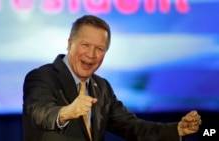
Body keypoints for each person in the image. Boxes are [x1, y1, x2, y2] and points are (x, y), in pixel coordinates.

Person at [22, 15, 202, 141]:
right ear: (70, 44)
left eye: (99, 49)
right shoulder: (41, 77)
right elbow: (40, 113)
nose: (91, 55)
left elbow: (132, 127)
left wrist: (177, 129)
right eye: (85, 45)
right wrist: (68, 112)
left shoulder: (102, 87)